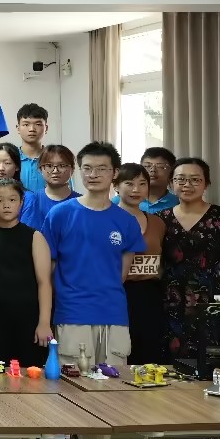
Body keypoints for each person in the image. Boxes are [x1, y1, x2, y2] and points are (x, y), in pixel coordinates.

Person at [41, 141, 146, 370]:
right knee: (73, 383)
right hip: (72, 313)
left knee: (114, 384)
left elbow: (121, 274)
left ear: (115, 173)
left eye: (101, 169)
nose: (93, 174)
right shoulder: (60, 215)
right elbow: (49, 270)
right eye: (87, 168)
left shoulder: (127, 221)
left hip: (114, 314)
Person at [160, 157, 220, 358]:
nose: (187, 184)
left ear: (206, 184)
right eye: (180, 179)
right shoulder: (161, 219)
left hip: (213, 300)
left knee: (215, 359)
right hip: (170, 300)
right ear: (171, 183)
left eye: (195, 179)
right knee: (170, 361)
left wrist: (216, 283)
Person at [0, 179, 52, 368]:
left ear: (21, 201)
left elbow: (44, 283)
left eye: (12, 199)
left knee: (30, 374)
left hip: (29, 317)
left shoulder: (35, 237)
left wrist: (44, 322)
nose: (6, 205)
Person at [115, 164, 168, 364]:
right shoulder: (107, 219)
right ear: (116, 186)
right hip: (118, 292)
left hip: (149, 294)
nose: (136, 189)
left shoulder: (158, 222)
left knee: (149, 352)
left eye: (142, 184)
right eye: (129, 183)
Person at [21, 144, 81, 232]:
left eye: (62, 166)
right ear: (40, 169)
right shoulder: (31, 200)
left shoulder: (81, 202)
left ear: (72, 169)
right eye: (49, 166)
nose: (55, 171)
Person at [15, 104, 50, 192]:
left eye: (38, 124)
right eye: (26, 124)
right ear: (18, 128)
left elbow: (66, 192)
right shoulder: (10, 159)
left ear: (46, 128)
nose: (32, 129)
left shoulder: (55, 159)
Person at [138, 147, 181, 214]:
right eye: (147, 166)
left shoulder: (179, 203)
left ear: (172, 172)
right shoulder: (124, 200)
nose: (152, 170)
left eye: (160, 167)